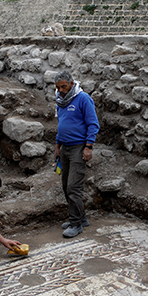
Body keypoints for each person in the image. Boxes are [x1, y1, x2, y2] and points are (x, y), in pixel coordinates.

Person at [54, 70, 100, 238]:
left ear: (72, 84)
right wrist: (58, 145)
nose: (61, 90)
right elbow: (61, 123)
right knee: (66, 185)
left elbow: (93, 124)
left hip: (78, 148)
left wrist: (88, 147)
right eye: (58, 87)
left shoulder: (83, 99)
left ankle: (76, 224)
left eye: (64, 86)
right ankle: (81, 217)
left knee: (74, 186)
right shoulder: (60, 101)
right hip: (65, 147)